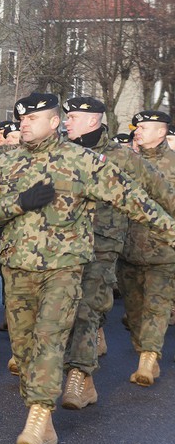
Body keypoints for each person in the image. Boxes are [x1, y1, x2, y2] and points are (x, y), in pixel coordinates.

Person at [0, 93, 175, 444]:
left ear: (52, 122)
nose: (24, 124)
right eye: (22, 119)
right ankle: (42, 418)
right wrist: (19, 203)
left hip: (64, 266)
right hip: (17, 266)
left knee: (50, 338)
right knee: (24, 346)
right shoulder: (7, 162)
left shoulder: (82, 161)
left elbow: (134, 199)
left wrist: (170, 230)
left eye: (32, 119)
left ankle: (38, 416)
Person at [61, 98, 175, 406]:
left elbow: (164, 195)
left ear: (93, 120)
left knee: (90, 309)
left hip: (113, 248)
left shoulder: (125, 158)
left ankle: (83, 378)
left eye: (73, 116)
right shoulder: (62, 153)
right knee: (71, 314)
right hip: (66, 249)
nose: (66, 122)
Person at [117, 110, 175, 387]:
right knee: (135, 310)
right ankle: (146, 353)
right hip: (127, 250)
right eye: (136, 127)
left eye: (144, 127)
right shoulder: (128, 162)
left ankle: (148, 360)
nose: (137, 131)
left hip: (164, 251)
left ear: (161, 132)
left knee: (157, 306)